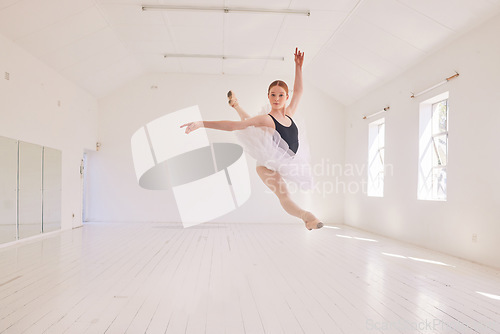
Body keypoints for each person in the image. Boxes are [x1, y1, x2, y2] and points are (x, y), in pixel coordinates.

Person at [181, 48, 323, 230]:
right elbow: (233, 126)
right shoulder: (267, 119)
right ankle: (307, 217)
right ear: (268, 96)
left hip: (287, 160)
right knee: (284, 194)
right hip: (266, 164)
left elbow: (299, 91)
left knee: (252, 127)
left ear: (286, 97)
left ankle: (236, 105)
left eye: (281, 95)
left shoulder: (290, 113)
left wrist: (298, 67)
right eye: (273, 94)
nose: (277, 98)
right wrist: (201, 123)